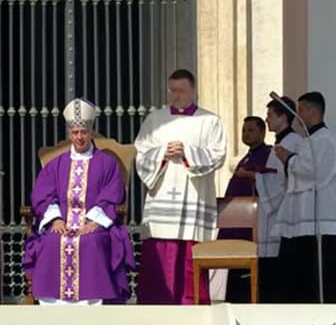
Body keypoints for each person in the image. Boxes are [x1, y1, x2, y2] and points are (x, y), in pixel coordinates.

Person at [22, 98, 136, 305]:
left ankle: (91, 304)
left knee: (91, 242)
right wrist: (55, 220)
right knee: (50, 241)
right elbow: (42, 194)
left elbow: (113, 194)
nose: (80, 137)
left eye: (83, 132)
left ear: (91, 132)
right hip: (62, 224)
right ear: (69, 135)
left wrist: (94, 222)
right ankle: (52, 304)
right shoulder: (56, 164)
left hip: (94, 225)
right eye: (75, 133)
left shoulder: (107, 163)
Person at [134, 69, 227, 305]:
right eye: (172, 90)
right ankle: (158, 301)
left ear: (193, 90)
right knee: (161, 251)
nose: (176, 96)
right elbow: (141, 154)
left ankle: (191, 301)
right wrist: (163, 153)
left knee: (189, 254)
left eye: (181, 91)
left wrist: (187, 152)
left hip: (193, 198)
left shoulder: (210, 121)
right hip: (162, 194)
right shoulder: (155, 120)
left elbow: (218, 155)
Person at [273, 91, 336, 302]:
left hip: (319, 223)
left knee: (320, 279)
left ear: (313, 111)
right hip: (301, 220)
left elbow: (315, 172)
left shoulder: (325, 139)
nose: (298, 116)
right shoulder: (311, 139)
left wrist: (288, 158)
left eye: (300, 111)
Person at [211, 116, 270, 302]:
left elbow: (270, 183)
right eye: (244, 130)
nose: (246, 134)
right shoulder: (246, 156)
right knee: (233, 265)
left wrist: (251, 175)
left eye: (251, 130)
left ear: (262, 132)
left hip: (251, 221)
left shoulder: (268, 154)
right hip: (235, 219)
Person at [253, 95, 302, 303]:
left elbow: (289, 178)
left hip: (282, 210)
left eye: (270, 115)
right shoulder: (280, 143)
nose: (267, 119)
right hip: (269, 212)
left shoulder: (295, 142)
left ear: (283, 117)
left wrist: (258, 175)